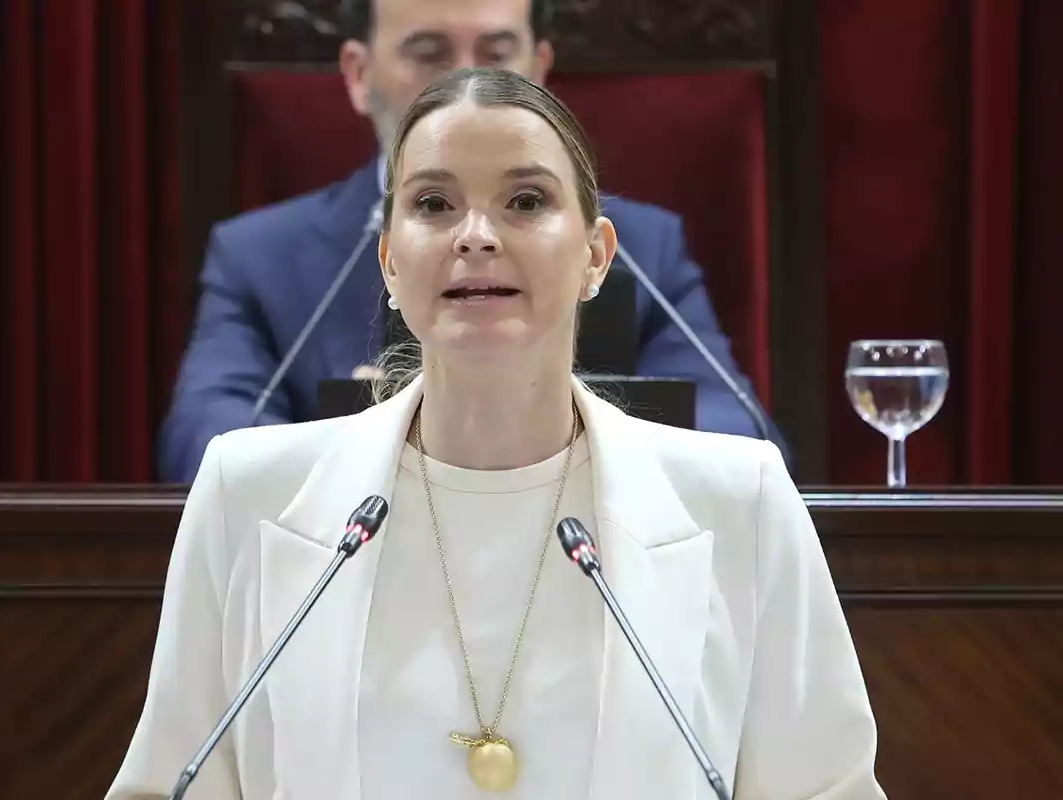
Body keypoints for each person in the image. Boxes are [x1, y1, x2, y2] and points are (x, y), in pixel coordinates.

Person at [107, 68, 884, 800]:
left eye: (525, 200)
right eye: (434, 205)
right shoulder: (249, 494)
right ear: (388, 260)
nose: (475, 235)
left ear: (596, 256)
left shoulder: (739, 500)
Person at [157, 0, 788, 485]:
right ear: (358, 73)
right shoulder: (259, 256)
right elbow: (205, 444)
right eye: (429, 51)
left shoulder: (644, 247)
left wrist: (549, 434)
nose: (465, 80)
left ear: (539, 70)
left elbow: (735, 435)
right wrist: (385, 446)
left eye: (495, 52)